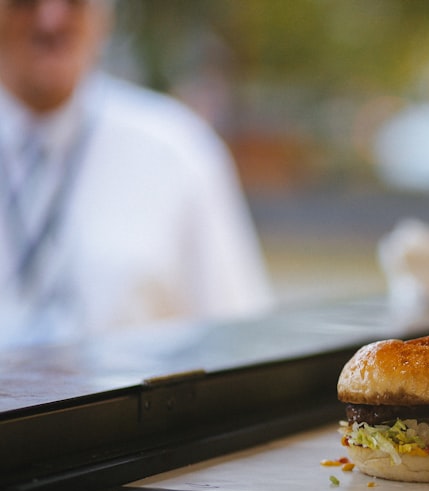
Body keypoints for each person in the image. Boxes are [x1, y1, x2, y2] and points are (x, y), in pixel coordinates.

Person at [0, 0, 274, 349]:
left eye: (75, 3)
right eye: (24, 2)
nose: (51, 19)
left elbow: (241, 342)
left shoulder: (180, 151)